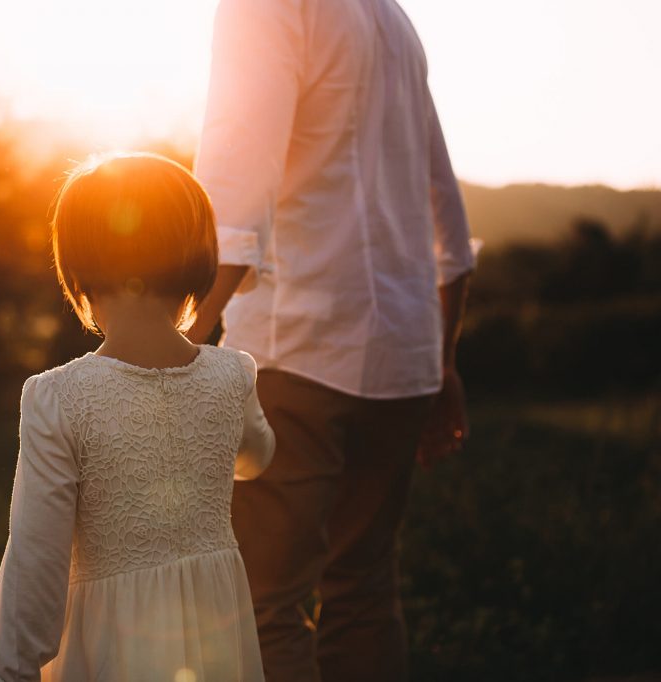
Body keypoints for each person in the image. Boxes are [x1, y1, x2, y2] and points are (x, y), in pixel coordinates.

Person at [189, 0, 478, 680]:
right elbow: (445, 206)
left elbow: (235, 188)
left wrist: (182, 341)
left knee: (267, 605)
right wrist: (443, 353)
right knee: (366, 593)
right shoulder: (390, 18)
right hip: (404, 359)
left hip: (296, 353)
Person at [0, 152, 275, 682]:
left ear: (78, 266)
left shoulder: (59, 397)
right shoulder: (234, 375)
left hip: (111, 646)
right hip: (218, 640)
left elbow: (35, 563)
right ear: (198, 259)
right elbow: (256, 456)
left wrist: (6, 673)